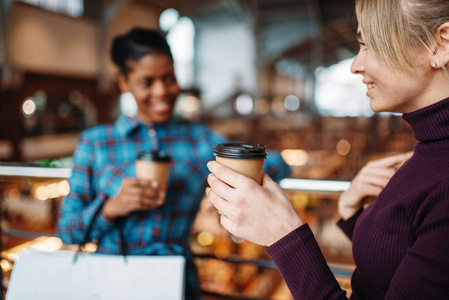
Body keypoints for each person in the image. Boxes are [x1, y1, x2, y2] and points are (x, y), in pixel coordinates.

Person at [207, 0, 449, 298]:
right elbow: (398, 268)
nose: (355, 65)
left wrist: (283, 233)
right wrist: (356, 216)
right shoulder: (431, 149)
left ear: (441, 44)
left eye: (369, 45)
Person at [56, 27, 290, 300]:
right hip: (112, 281)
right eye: (147, 82)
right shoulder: (95, 142)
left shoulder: (198, 139)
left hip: (177, 282)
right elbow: (67, 230)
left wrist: (239, 178)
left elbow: (274, 162)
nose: (162, 91)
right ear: (123, 82)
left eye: (169, 78)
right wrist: (111, 207)